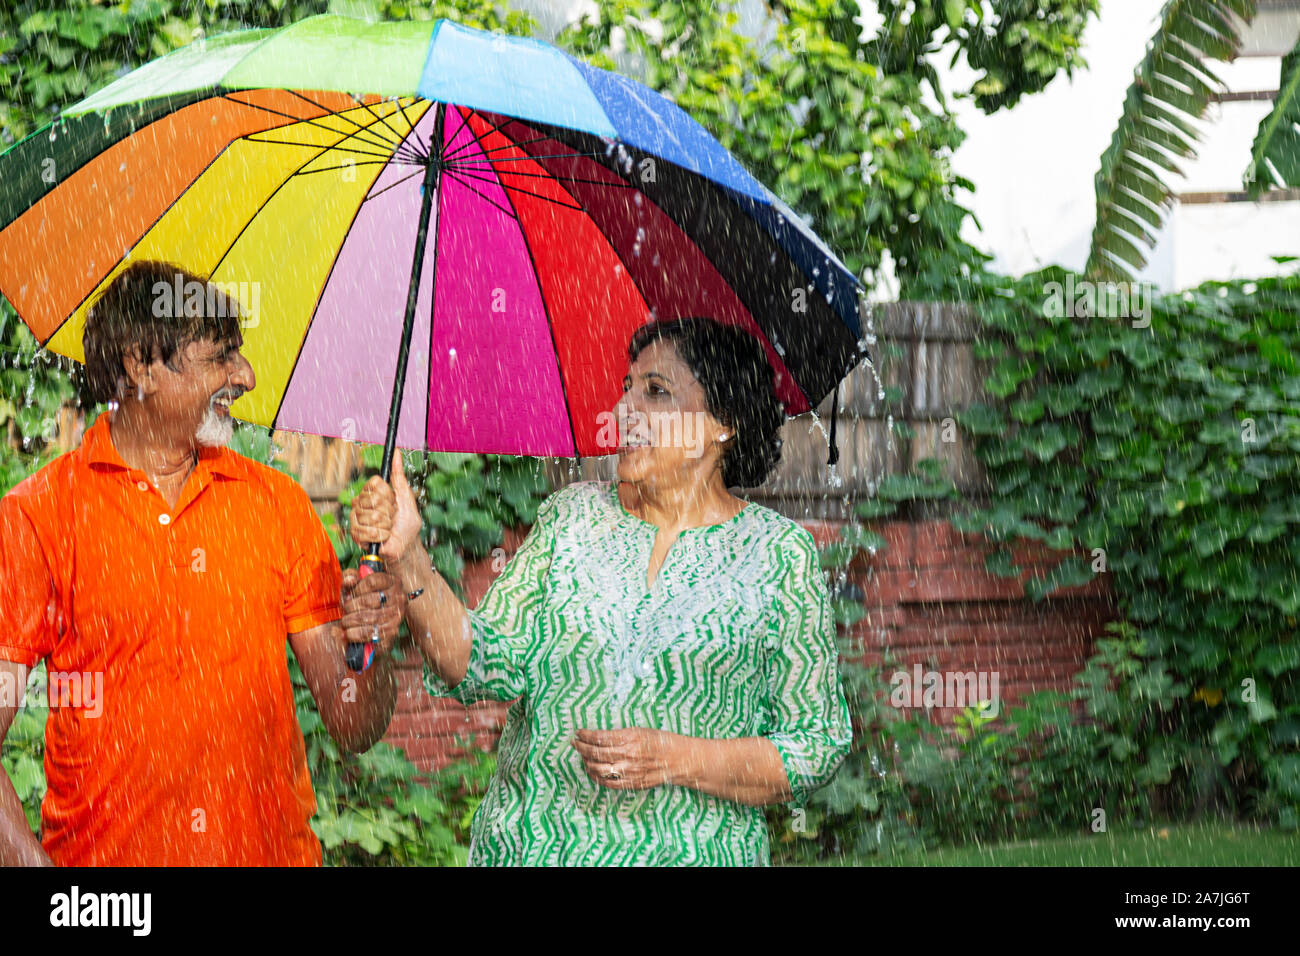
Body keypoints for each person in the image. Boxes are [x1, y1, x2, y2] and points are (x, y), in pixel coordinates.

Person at [348, 316, 853, 866]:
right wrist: (411, 558)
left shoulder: (779, 556)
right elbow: (474, 659)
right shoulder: (573, 520)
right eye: (626, 390)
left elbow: (814, 744)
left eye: (655, 392)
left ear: (722, 423)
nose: (624, 411)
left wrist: (674, 758)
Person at [0, 260, 407, 866]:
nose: (244, 375)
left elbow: (354, 725)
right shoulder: (39, 516)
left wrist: (370, 646)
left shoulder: (278, 505)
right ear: (141, 364)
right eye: (220, 355)